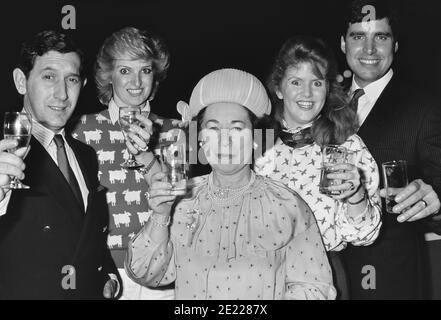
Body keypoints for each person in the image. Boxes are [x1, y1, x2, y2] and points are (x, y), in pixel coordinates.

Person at [125, 68, 337, 300]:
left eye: (237, 128)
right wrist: (160, 215)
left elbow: (314, 287)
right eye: (213, 128)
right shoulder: (181, 200)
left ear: (256, 137)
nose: (224, 141)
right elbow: (146, 274)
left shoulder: (286, 204)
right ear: (200, 138)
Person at [255, 36, 382, 299]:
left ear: (327, 89)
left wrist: (355, 195)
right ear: (278, 89)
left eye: (317, 82)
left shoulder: (348, 146)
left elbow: (365, 236)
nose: (307, 93)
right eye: (296, 82)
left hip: (323, 277)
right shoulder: (256, 146)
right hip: (261, 278)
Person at [0, 30, 118, 299]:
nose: (62, 94)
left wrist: (108, 277)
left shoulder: (86, 154)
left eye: (72, 79)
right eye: (49, 76)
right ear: (21, 81)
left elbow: (87, 236)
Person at [339, 0, 441, 299]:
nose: (369, 49)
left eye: (380, 37)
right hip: (326, 271)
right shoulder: (322, 105)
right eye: (359, 36)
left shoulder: (424, 110)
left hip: (388, 280)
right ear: (343, 43)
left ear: (395, 45)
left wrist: (435, 201)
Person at [72, 27, 176, 300]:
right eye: (125, 70)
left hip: (162, 270)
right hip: (105, 274)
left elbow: (183, 204)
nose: (137, 82)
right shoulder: (81, 130)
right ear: (109, 76)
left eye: (145, 70)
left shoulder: (175, 130)